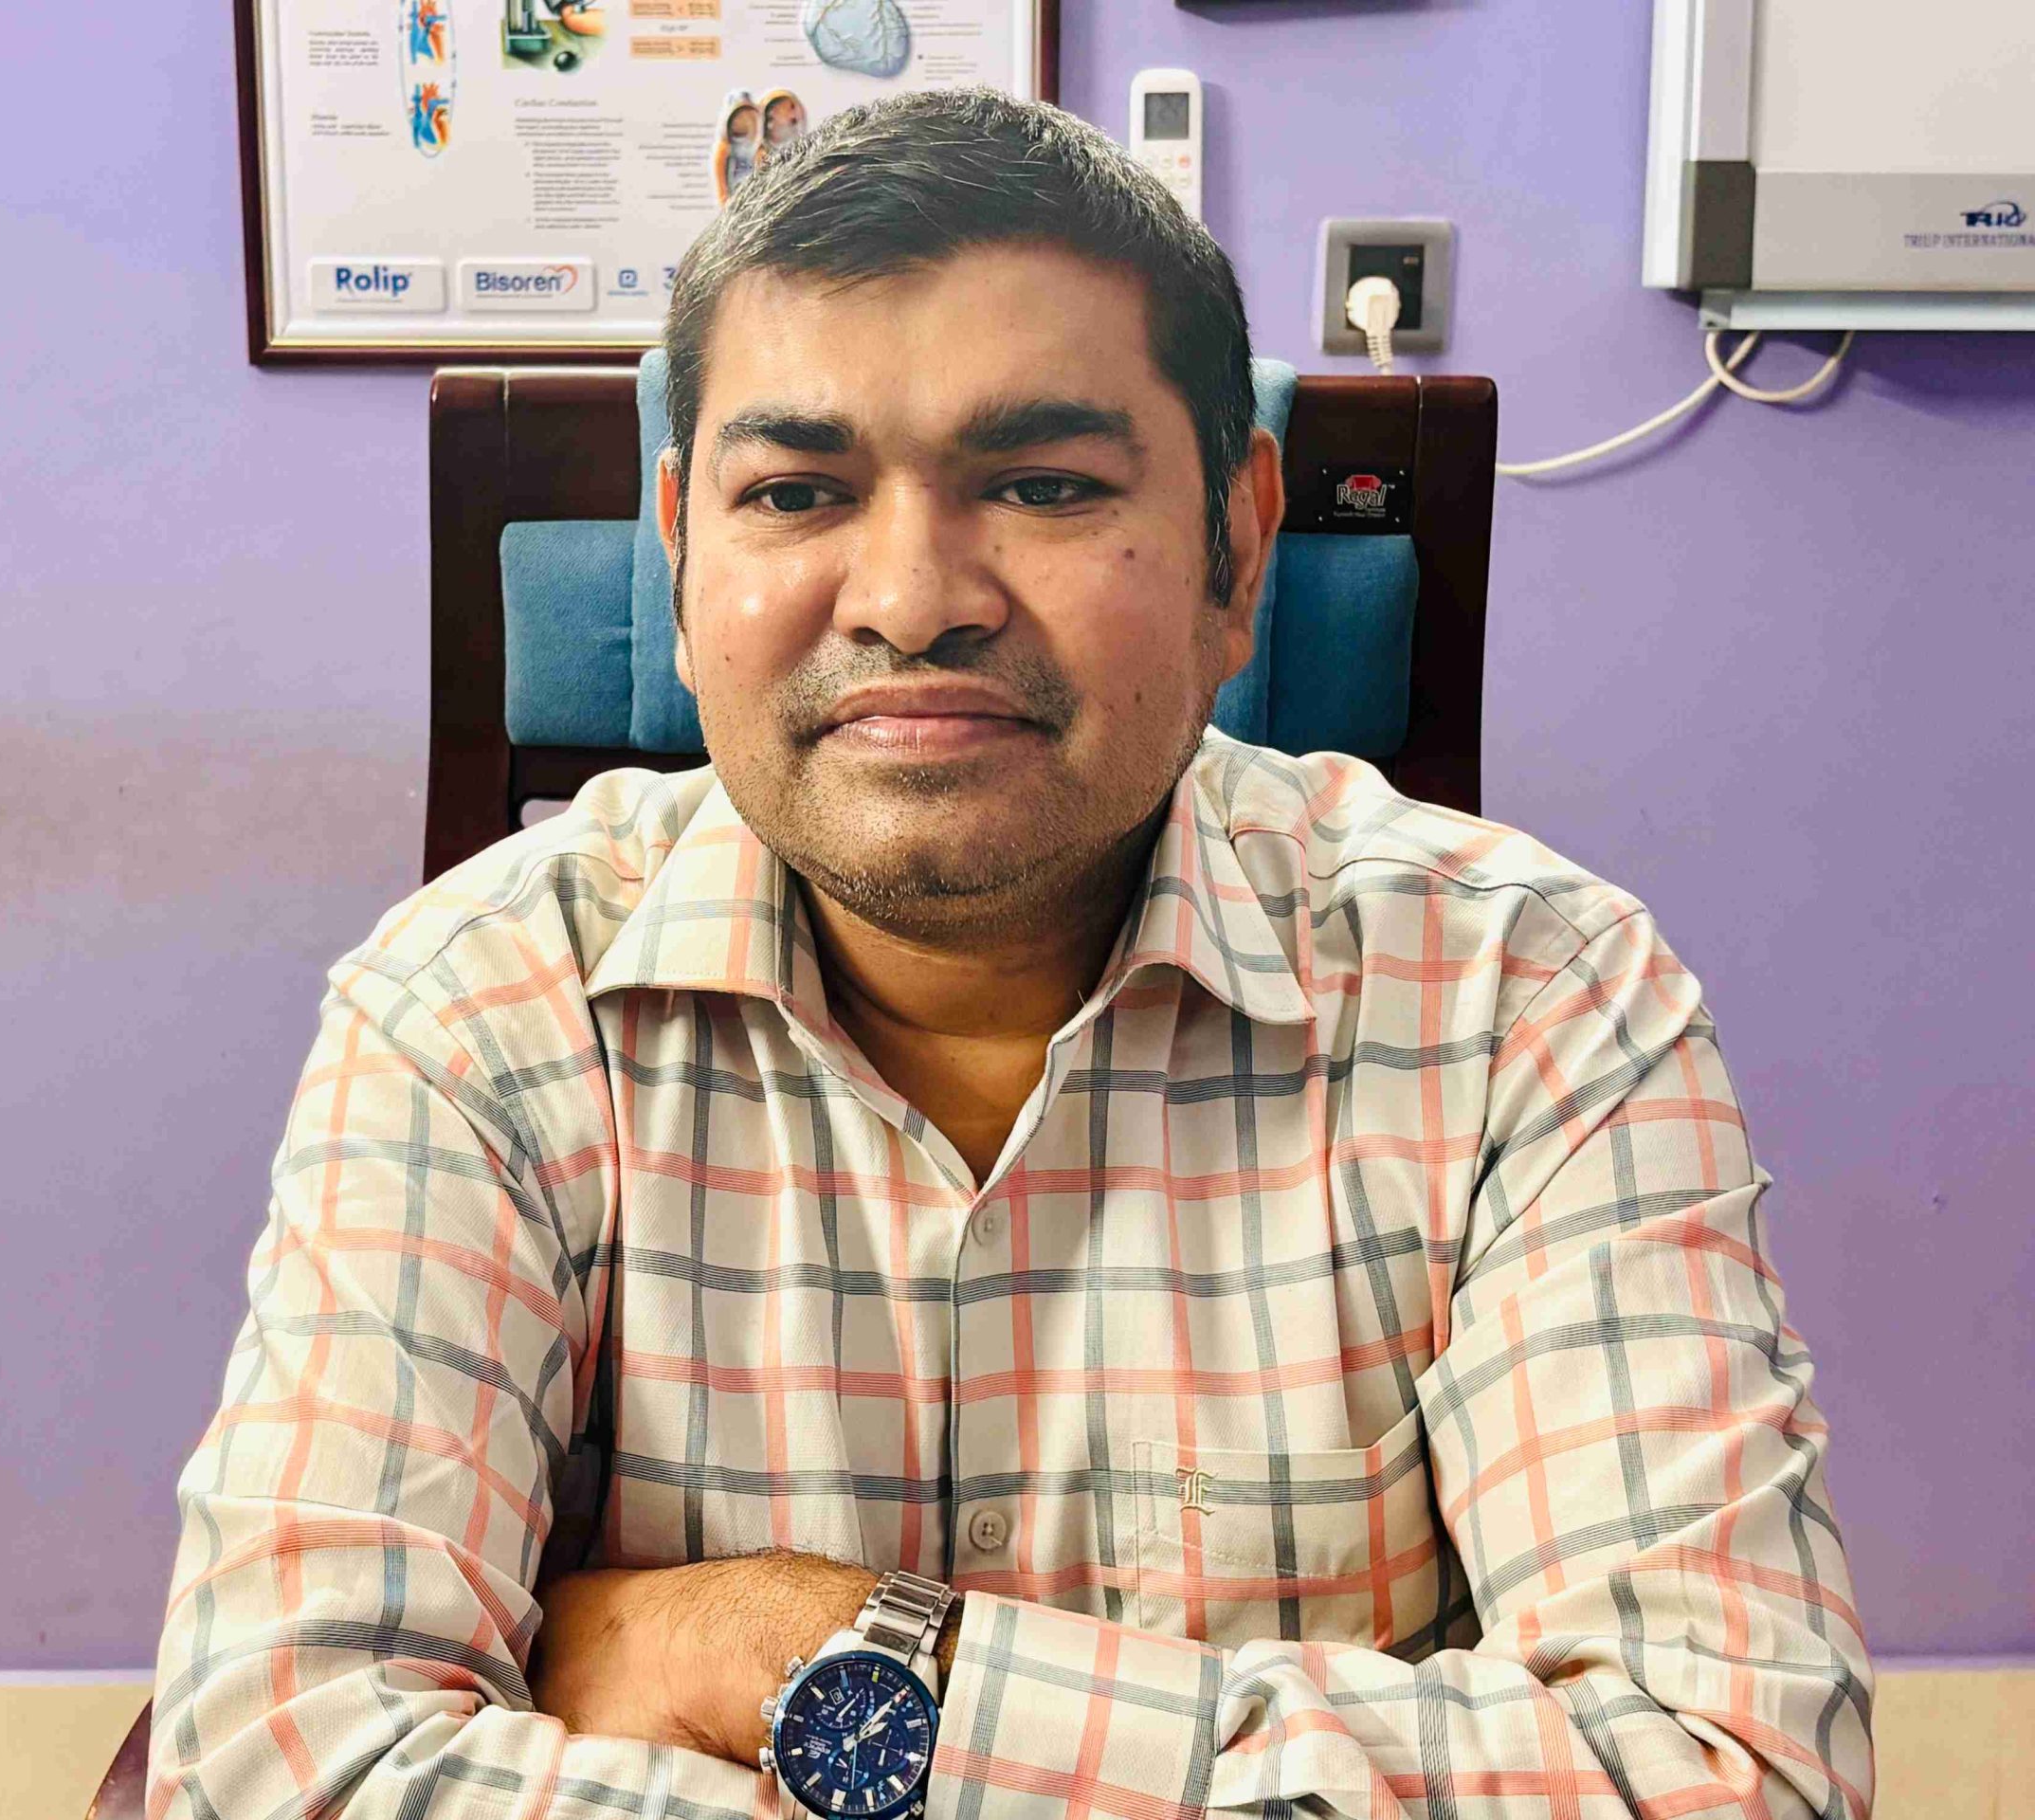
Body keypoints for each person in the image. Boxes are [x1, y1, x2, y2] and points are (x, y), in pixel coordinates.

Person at [149, 87, 1872, 1820]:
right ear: (679, 554)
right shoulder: (474, 1013)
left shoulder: (1530, 999)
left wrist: (817, 1658)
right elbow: (286, 1767)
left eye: (1044, 485)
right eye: (796, 490)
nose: (912, 598)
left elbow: (1726, 1776)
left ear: (1238, 548)